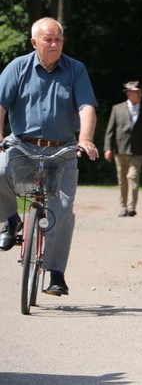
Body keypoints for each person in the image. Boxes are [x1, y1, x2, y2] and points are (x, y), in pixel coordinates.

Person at [0, 17, 99, 296]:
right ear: (34, 42)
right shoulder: (17, 68)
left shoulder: (75, 70)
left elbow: (87, 107)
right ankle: (9, 218)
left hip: (62, 148)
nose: (55, 44)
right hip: (22, 145)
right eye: (48, 39)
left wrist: (86, 139)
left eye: (58, 39)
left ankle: (56, 273)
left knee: (63, 208)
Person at [104, 81, 142, 217]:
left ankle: (132, 207)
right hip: (120, 150)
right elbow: (110, 130)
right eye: (137, 92)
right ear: (129, 93)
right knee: (122, 179)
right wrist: (107, 148)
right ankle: (123, 207)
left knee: (133, 176)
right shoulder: (117, 109)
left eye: (141, 91)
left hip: (138, 151)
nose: (140, 94)